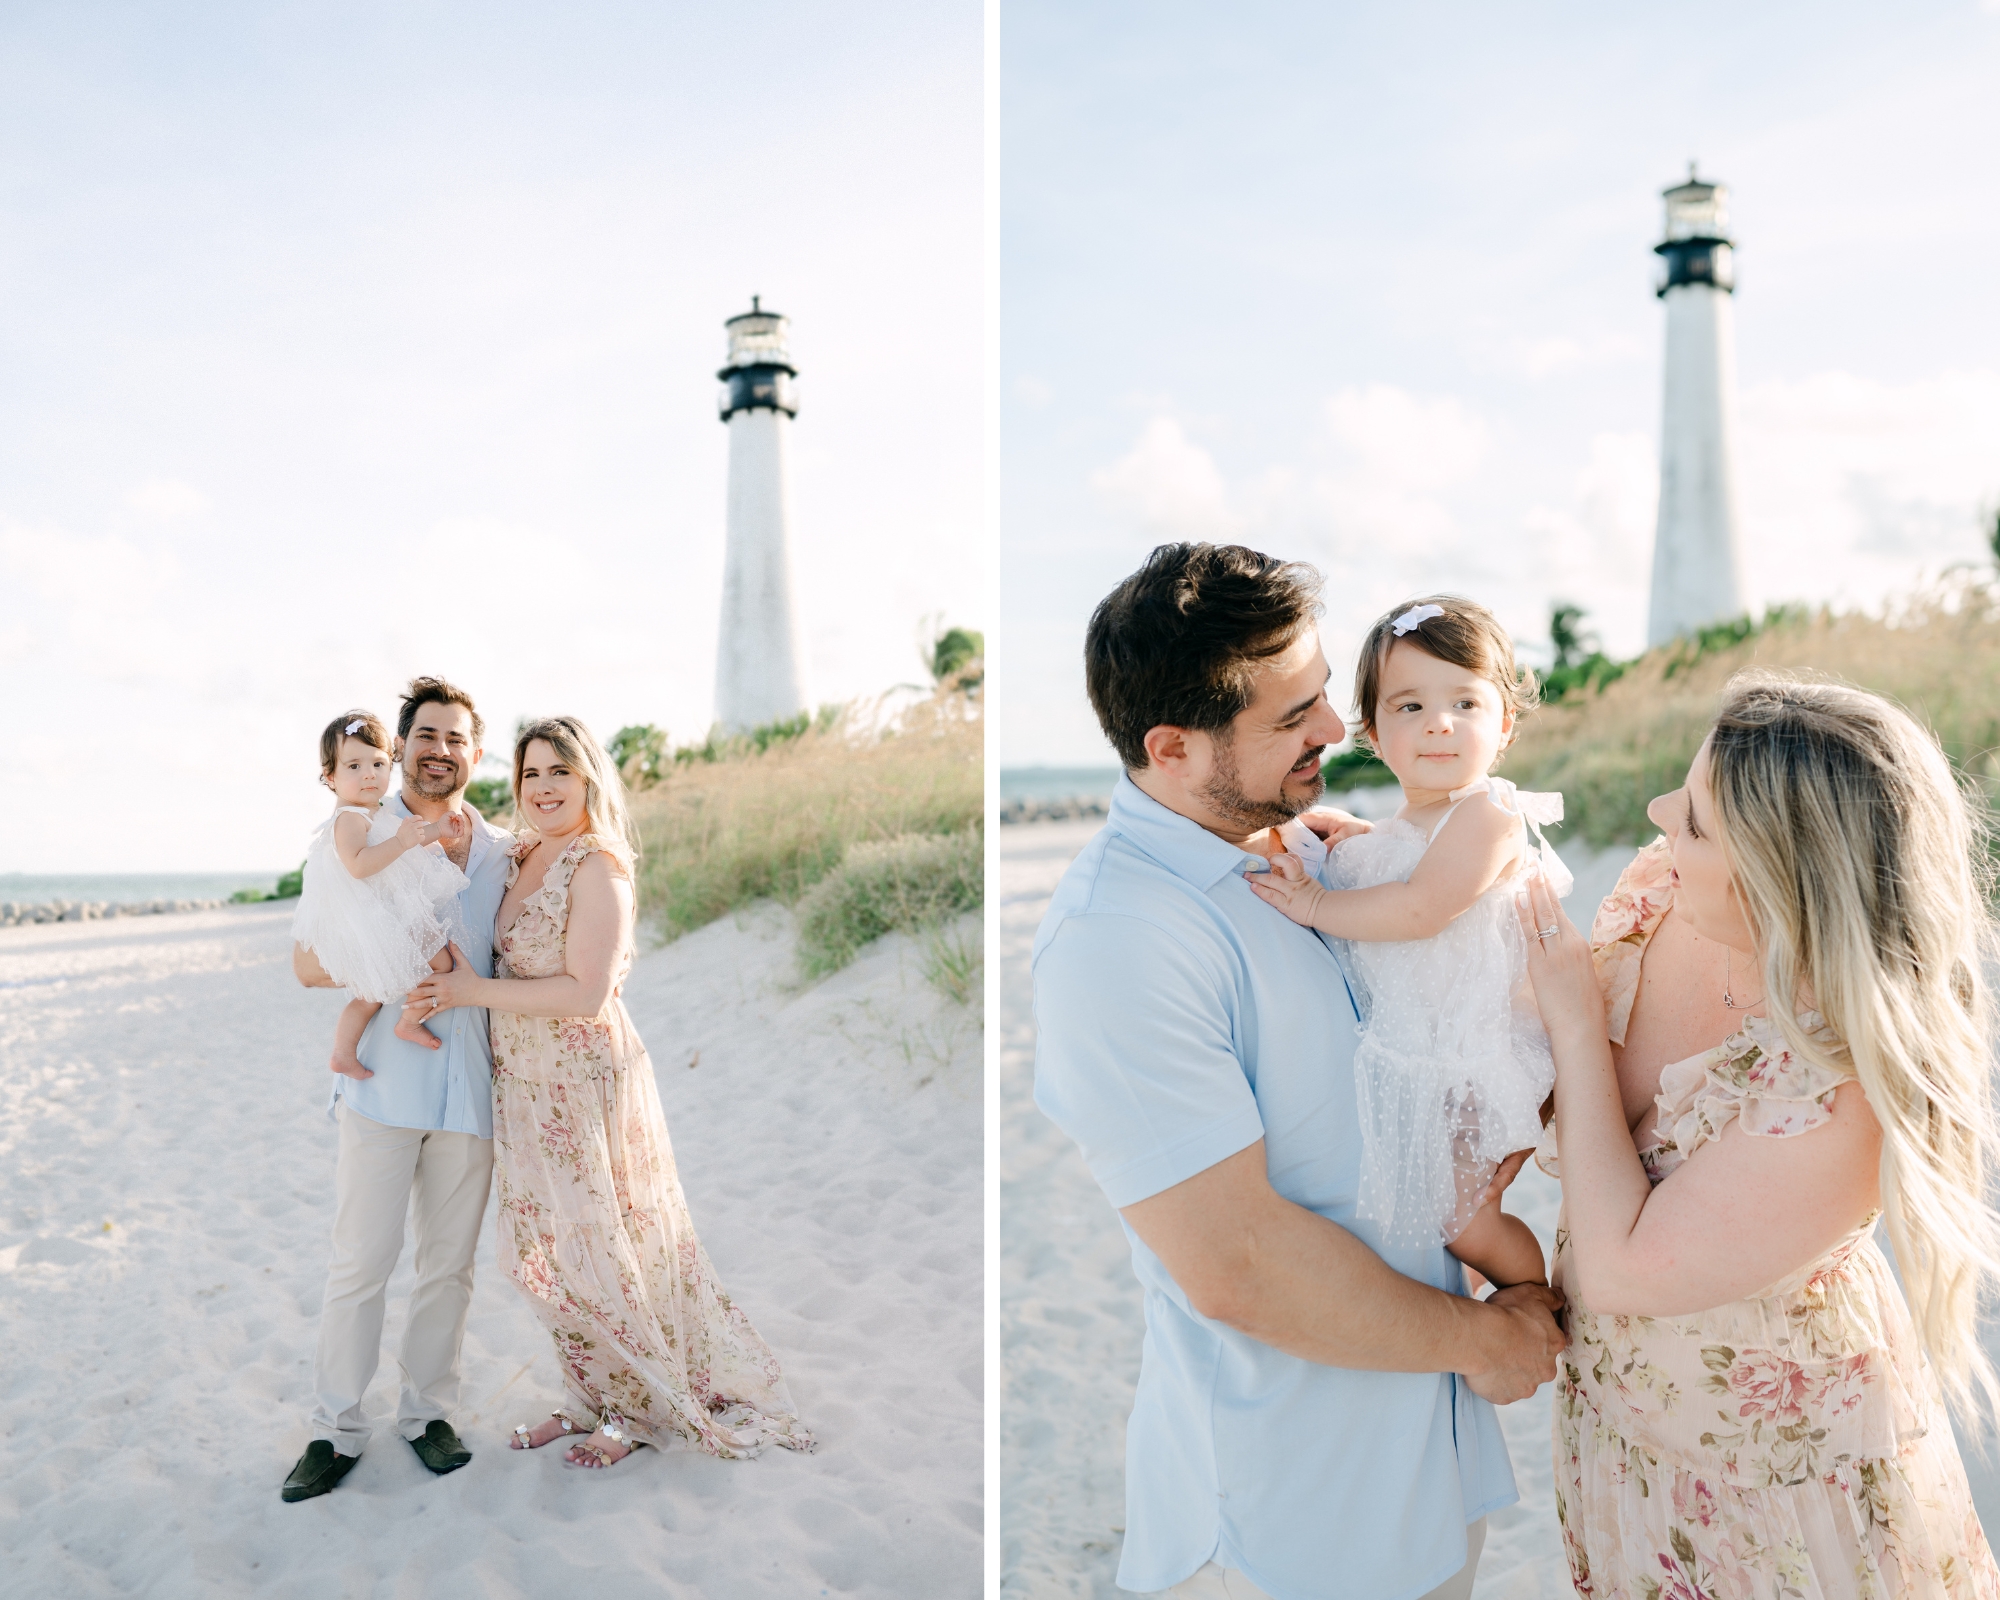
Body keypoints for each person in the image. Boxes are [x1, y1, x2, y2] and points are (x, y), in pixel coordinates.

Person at [1032, 543, 1565, 1600]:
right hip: (1286, 1526)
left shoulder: (1309, 856)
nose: (1334, 728)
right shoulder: (1120, 939)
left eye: (1324, 695)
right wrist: (1483, 1339)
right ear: (1172, 747)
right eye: (1293, 717)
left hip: (1424, 1475)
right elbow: (1237, 1263)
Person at [1518, 672, 2000, 1592]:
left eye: (1696, 819)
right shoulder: (1669, 890)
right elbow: (1573, 1114)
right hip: (1626, 1426)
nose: (1660, 814)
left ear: (1783, 878)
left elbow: (1623, 1270)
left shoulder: (1844, 1081)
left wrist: (1577, 1028)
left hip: (1771, 1487)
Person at [407, 714, 812, 1470]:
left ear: (589, 777)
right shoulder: (523, 852)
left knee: (601, 1245)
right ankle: (590, 1395)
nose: (544, 786)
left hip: (583, 1083)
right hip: (522, 1086)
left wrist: (471, 991)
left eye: (560, 771)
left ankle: (637, 1412)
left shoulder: (597, 865)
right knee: (546, 1251)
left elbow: (587, 993)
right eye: (530, 774)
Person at [1245, 595, 1565, 1293]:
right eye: (1410, 706)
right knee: (1427, 1217)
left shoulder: (1492, 814)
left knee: (1463, 1219)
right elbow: (1412, 856)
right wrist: (1359, 836)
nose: (1439, 723)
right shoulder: (1404, 826)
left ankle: (1531, 1298)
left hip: (1479, 1060)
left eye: (1466, 704)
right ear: (1373, 731)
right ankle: (1470, 1299)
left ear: (1505, 726)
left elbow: (1422, 907)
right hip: (1420, 1059)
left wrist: (1317, 903)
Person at [282, 677, 512, 1503]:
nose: (439, 751)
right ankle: (336, 1429)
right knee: (361, 1265)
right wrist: (394, 959)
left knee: (448, 1268)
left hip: (470, 1094)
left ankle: (429, 1415)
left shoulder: (504, 851)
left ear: (475, 754)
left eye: (456, 738)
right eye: (425, 736)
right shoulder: (359, 833)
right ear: (399, 747)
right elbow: (307, 961)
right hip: (382, 1087)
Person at [292, 709, 471, 1078]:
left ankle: (344, 1051)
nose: (369, 774)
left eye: (377, 763)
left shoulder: (376, 813)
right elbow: (359, 865)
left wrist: (438, 829)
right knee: (436, 965)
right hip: (372, 916)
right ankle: (405, 1023)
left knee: (371, 993)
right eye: (353, 766)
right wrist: (402, 843)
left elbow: (412, 838)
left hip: (384, 913)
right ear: (330, 777)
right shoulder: (349, 818)